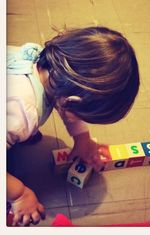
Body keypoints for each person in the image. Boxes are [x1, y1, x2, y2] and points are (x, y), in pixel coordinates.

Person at [7, 26, 140, 226]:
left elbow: (68, 108)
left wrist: (82, 139)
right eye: (81, 113)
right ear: (70, 101)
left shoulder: (49, 67)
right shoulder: (21, 112)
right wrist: (19, 195)